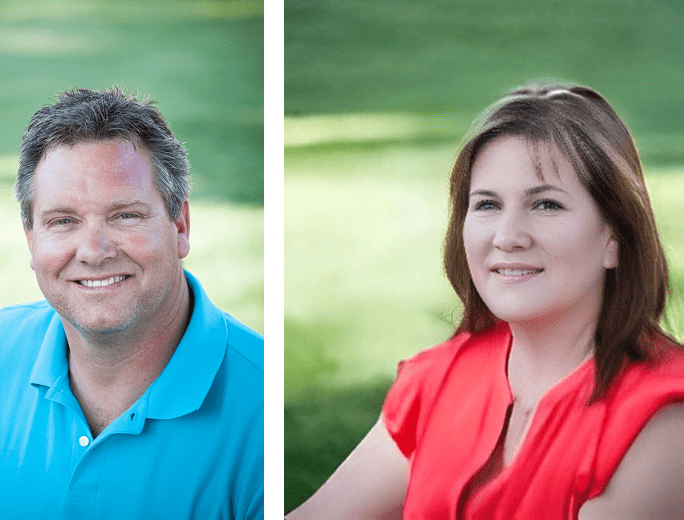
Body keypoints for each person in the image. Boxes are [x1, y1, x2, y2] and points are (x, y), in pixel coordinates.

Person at [286, 84, 684, 519]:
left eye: (546, 204)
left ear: (614, 236)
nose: (508, 236)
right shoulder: (438, 379)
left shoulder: (662, 415)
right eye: (488, 205)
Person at [0, 87, 263, 519]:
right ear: (31, 240)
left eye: (125, 215)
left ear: (180, 225)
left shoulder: (260, 403)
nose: (93, 251)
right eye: (63, 221)